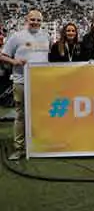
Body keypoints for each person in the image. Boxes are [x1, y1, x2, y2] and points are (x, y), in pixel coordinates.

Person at [0, 10, 50, 160]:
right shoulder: (17, 36)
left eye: (38, 20)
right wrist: (15, 62)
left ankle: (38, 145)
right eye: (32, 19)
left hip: (41, 82)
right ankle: (19, 148)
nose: (35, 22)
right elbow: (2, 55)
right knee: (21, 115)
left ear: (42, 22)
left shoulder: (46, 36)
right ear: (26, 19)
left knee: (40, 114)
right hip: (21, 81)